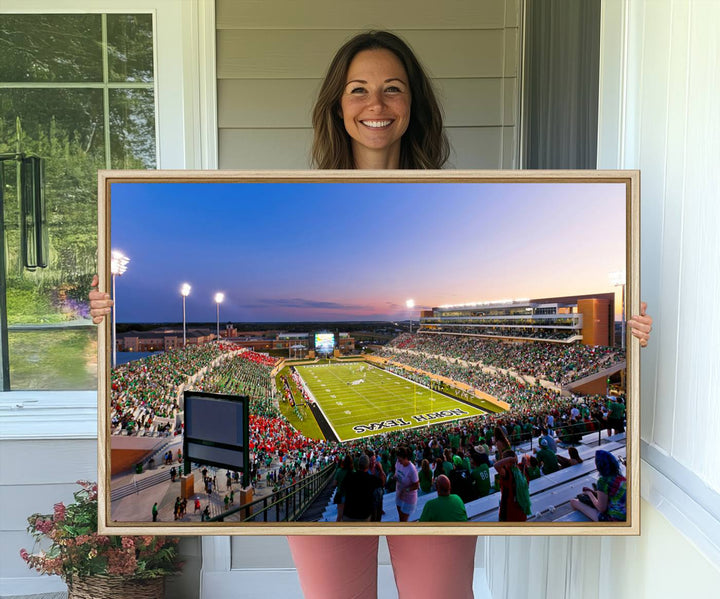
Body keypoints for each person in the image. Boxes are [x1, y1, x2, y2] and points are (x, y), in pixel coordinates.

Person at [89, 29, 653, 599]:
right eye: (358, 89)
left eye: (392, 89)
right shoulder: (309, 194)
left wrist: (626, 336)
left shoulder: (453, 197)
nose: (375, 104)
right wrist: (106, 311)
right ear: (338, 104)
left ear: (413, 104)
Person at [570, 450, 627, 521]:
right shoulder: (622, 479)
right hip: (626, 517)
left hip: (613, 520)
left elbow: (601, 508)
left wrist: (589, 493)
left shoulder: (603, 481)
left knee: (573, 502)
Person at [342, 454, 383, 522]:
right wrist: (381, 470)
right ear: (368, 465)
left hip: (348, 515)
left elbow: (343, 488)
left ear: (358, 464)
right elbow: (382, 483)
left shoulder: (349, 476)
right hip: (364, 517)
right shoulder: (372, 479)